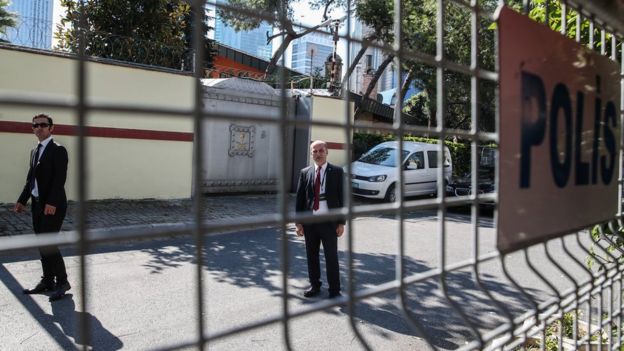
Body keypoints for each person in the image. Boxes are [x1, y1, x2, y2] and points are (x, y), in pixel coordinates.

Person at [14, 114, 71, 302]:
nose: (39, 128)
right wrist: (22, 200)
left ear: (51, 128)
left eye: (43, 125)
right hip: (38, 204)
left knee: (49, 243)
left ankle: (62, 282)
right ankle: (47, 280)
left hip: (52, 205)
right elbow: (31, 179)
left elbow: (59, 180)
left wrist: (52, 203)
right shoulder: (34, 151)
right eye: (35, 125)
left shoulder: (58, 150)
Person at [295, 140, 345, 299]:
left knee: (331, 257)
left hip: (329, 223)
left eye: (321, 150)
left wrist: (341, 222)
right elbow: (300, 200)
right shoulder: (305, 173)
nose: (318, 154)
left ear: (327, 152)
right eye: (314, 151)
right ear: (311, 154)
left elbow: (343, 198)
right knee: (312, 256)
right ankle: (315, 285)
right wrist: (298, 223)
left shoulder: (337, 172)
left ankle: (335, 291)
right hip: (310, 223)